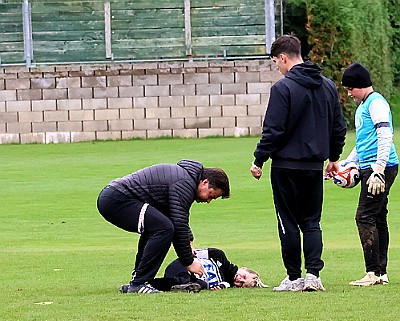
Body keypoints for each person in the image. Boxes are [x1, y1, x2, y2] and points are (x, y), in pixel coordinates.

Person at [250, 34, 346, 292]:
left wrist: (259, 159)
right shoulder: (327, 86)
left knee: (288, 221)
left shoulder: (283, 88)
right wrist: (334, 158)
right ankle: (313, 275)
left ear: (283, 58)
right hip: (314, 166)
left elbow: (273, 130)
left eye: (276, 63)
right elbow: (339, 126)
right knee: (312, 221)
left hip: (285, 166)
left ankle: (294, 277)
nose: (278, 68)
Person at [97, 160, 230, 293]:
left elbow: (175, 214)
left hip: (113, 197)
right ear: (205, 182)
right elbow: (178, 223)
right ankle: (139, 283)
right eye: (211, 195)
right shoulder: (184, 183)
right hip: (117, 200)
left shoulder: (185, 178)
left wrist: (188, 240)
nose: (208, 201)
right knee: (164, 228)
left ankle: (139, 281)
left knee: (157, 226)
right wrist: (189, 262)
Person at [340, 62, 398, 286]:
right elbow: (364, 142)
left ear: (360, 85)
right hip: (371, 166)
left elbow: (385, 135)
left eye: (349, 89)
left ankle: (372, 272)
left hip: (379, 168)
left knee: (363, 216)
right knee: (378, 216)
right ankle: (381, 273)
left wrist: (379, 170)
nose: (349, 93)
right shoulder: (365, 105)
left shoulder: (376, 104)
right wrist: (346, 163)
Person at [119, 247, 267, 293]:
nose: (239, 280)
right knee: (183, 279)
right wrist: (192, 262)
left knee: (198, 285)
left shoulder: (226, 284)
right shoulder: (219, 256)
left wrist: (219, 287)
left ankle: (182, 288)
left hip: (192, 280)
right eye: (244, 277)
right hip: (183, 266)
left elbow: (223, 286)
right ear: (244, 269)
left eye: (242, 284)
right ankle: (139, 285)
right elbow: (190, 253)